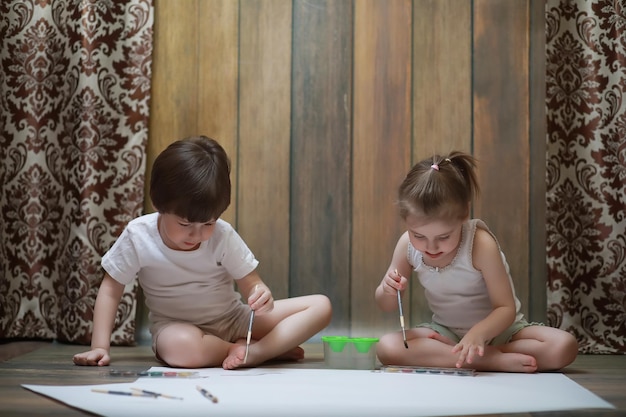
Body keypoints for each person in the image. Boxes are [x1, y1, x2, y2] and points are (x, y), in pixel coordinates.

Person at [73, 135, 332, 370]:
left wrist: (260, 295)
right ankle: (244, 350)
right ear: (158, 204)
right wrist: (100, 346)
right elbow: (110, 289)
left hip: (233, 320)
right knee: (180, 348)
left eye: (208, 223)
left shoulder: (223, 234)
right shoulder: (138, 235)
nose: (197, 234)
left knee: (321, 305)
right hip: (176, 328)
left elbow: (252, 284)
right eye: (185, 224)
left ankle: (256, 352)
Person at [374, 151, 578, 373]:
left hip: (501, 333)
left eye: (443, 237)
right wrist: (387, 289)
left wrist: (478, 335)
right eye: (419, 236)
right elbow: (387, 306)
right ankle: (488, 360)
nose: (431, 247)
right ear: (407, 221)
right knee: (387, 347)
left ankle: (474, 354)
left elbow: (505, 308)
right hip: (447, 333)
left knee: (563, 346)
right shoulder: (407, 246)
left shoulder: (480, 244)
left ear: (464, 215)